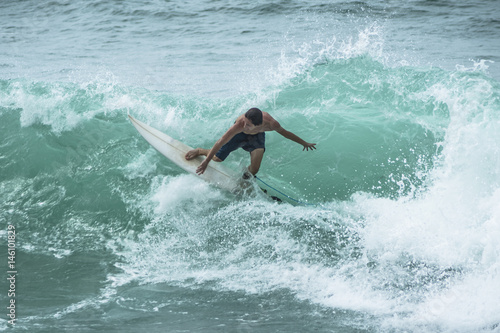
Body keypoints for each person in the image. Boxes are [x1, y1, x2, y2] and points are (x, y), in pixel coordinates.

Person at [185, 108, 316, 177]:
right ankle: (200, 150)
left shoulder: (271, 124)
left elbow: (286, 133)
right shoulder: (239, 125)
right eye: (245, 122)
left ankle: (243, 178)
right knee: (217, 158)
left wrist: (304, 143)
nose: (244, 125)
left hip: (257, 137)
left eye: (248, 125)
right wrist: (206, 161)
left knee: (254, 169)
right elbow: (220, 141)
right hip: (239, 136)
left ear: (259, 125)